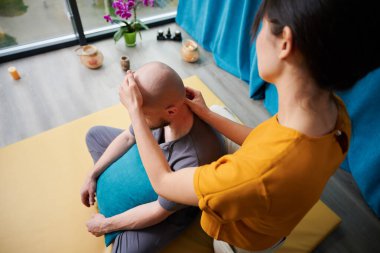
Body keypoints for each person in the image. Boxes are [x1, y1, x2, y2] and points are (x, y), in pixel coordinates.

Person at [118, 0, 380, 252]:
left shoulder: (250, 176)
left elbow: (164, 182)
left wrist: (136, 113)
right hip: (275, 205)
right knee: (221, 112)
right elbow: (263, 141)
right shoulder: (336, 114)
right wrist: (207, 114)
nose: (255, 38)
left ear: (285, 43)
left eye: (262, 26)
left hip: (242, 240)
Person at [80, 62, 226, 253]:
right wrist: (92, 175)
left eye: (142, 115)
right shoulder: (161, 111)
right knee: (95, 135)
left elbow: (159, 210)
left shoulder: (194, 159)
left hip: (169, 208)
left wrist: (105, 225)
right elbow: (128, 136)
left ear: (171, 112)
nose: (137, 119)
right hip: (153, 158)